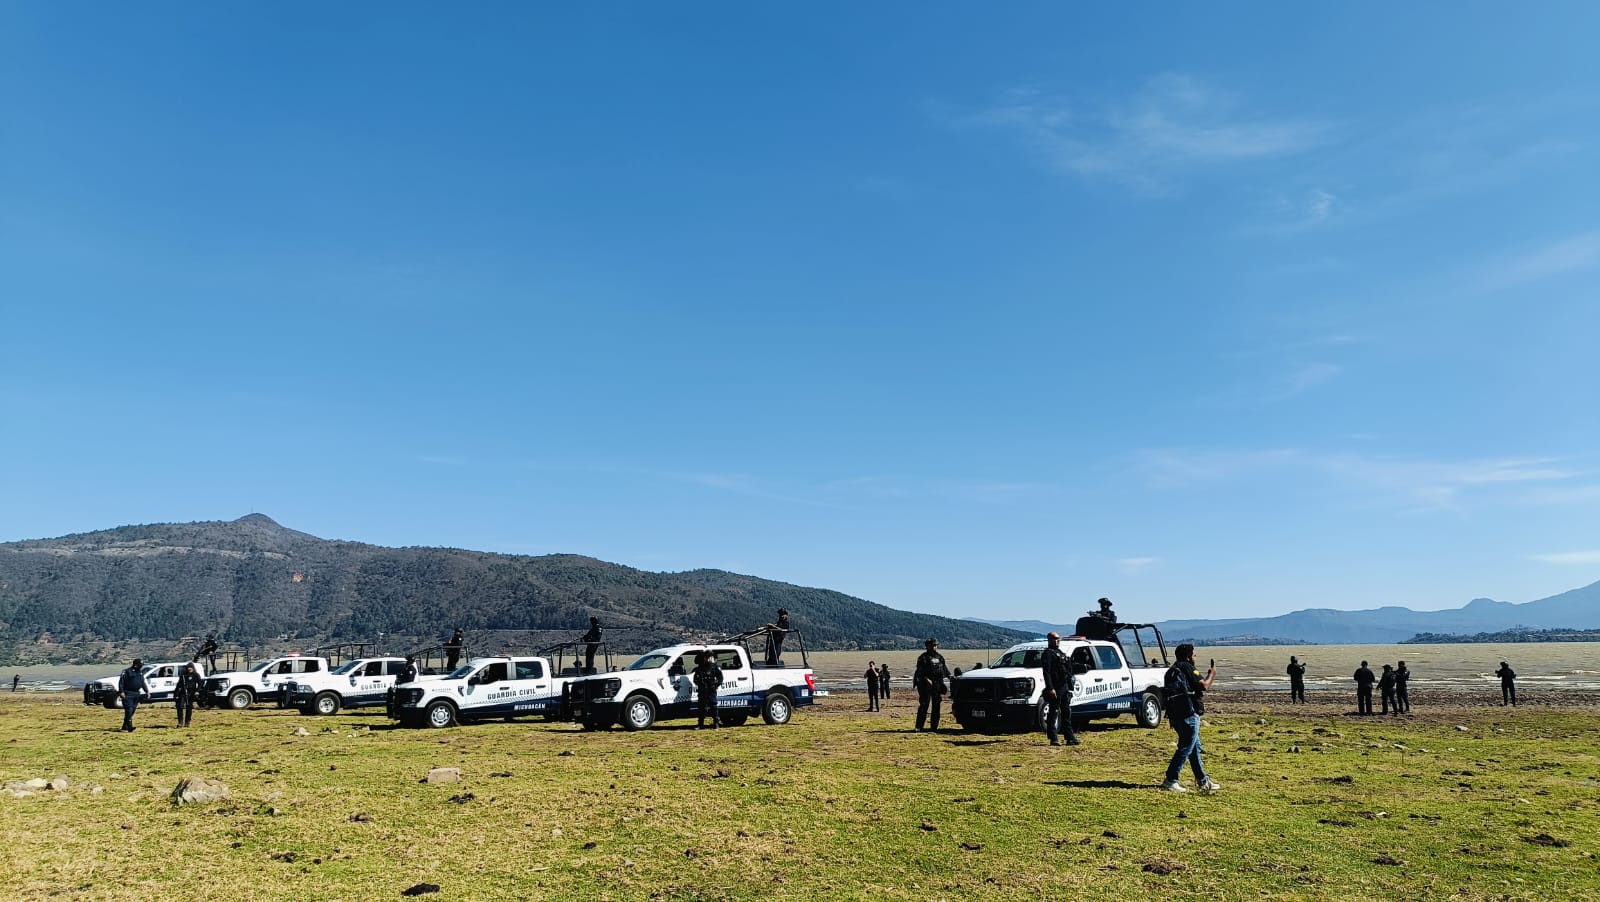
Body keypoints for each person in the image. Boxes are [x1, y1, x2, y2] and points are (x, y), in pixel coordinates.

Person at [1160, 644, 1219, 793]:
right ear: (1188, 656)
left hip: (1176, 715)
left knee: (1194, 748)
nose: (1195, 657)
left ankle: (1203, 781)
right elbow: (1204, 686)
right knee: (1186, 747)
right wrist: (1212, 674)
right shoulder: (1188, 667)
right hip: (1189, 713)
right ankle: (1171, 779)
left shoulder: (1171, 671)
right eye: (1194, 655)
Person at [1040, 632, 1081, 747]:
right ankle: (1053, 738)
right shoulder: (1048, 654)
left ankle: (1070, 737)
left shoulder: (1060, 653)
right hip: (1055, 687)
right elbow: (1046, 673)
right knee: (1053, 712)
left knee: (1066, 712)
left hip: (1064, 687)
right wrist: (1050, 688)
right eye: (1055, 639)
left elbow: (1067, 669)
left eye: (1058, 639)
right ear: (1049, 639)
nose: (1057, 641)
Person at [913, 638, 951, 732]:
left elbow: (944, 669)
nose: (934, 647)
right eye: (932, 645)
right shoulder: (923, 658)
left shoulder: (939, 657)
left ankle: (934, 727)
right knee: (924, 705)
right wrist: (926, 679)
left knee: (936, 705)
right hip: (925, 684)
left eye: (935, 645)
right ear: (927, 646)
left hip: (938, 683)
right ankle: (919, 726)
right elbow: (919, 671)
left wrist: (950, 676)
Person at [692, 651, 724, 729]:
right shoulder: (700, 668)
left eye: (709, 657)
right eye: (706, 657)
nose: (708, 659)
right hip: (702, 690)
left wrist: (716, 685)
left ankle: (716, 723)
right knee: (701, 707)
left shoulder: (714, 667)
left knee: (713, 706)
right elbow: (695, 678)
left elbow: (720, 678)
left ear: (712, 658)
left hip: (711, 689)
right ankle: (700, 724)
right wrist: (699, 684)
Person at [117, 659, 148, 733]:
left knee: (132, 711)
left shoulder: (140, 672)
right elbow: (121, 682)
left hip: (136, 694)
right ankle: (130, 727)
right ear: (135, 665)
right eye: (140, 665)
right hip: (128, 693)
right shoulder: (127, 671)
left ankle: (124, 727)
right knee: (129, 710)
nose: (141, 667)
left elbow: (142, 682)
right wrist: (121, 692)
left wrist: (147, 691)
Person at [173, 663, 203, 727]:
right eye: (188, 667)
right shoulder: (183, 676)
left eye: (190, 667)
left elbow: (200, 684)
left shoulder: (196, 675)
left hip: (191, 693)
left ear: (193, 668)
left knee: (189, 708)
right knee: (180, 707)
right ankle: (180, 722)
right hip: (183, 693)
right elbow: (179, 685)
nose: (189, 669)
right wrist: (175, 694)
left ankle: (187, 722)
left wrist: (197, 691)